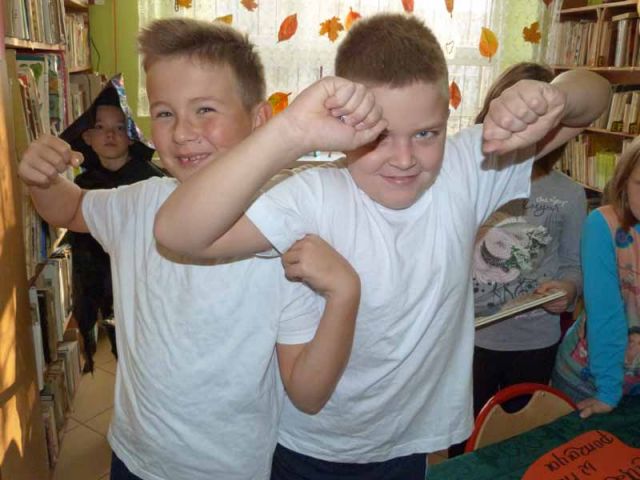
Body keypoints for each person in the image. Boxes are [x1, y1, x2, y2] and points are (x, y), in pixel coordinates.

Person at [154, 13, 610, 479]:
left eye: (426, 134)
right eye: (380, 136)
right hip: (312, 448)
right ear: (343, 126)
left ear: (447, 121)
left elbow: (595, 96)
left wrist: (552, 96)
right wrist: (291, 131)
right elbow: (177, 233)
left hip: (407, 444)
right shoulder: (314, 195)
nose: (405, 159)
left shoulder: (466, 168)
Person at [18, 18, 362, 480]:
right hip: (133, 457)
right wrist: (42, 179)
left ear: (260, 121)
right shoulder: (140, 203)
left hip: (230, 470)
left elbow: (307, 392)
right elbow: (72, 207)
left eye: (205, 109)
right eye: (164, 113)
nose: (182, 132)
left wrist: (343, 295)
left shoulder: (282, 235)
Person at [447, 62, 588, 457]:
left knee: (519, 444)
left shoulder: (569, 194)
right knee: (462, 441)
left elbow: (572, 265)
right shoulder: (470, 178)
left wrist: (568, 289)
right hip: (469, 339)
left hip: (534, 341)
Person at [60, 75, 164, 373]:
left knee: (147, 352)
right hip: (104, 284)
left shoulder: (151, 182)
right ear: (87, 137)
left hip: (144, 287)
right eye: (100, 127)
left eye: (119, 127)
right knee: (123, 351)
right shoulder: (83, 185)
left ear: (131, 136)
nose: (110, 135)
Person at [552, 135, 640, 419]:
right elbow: (605, 315)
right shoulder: (603, 225)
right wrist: (608, 392)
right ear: (624, 182)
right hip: (591, 380)